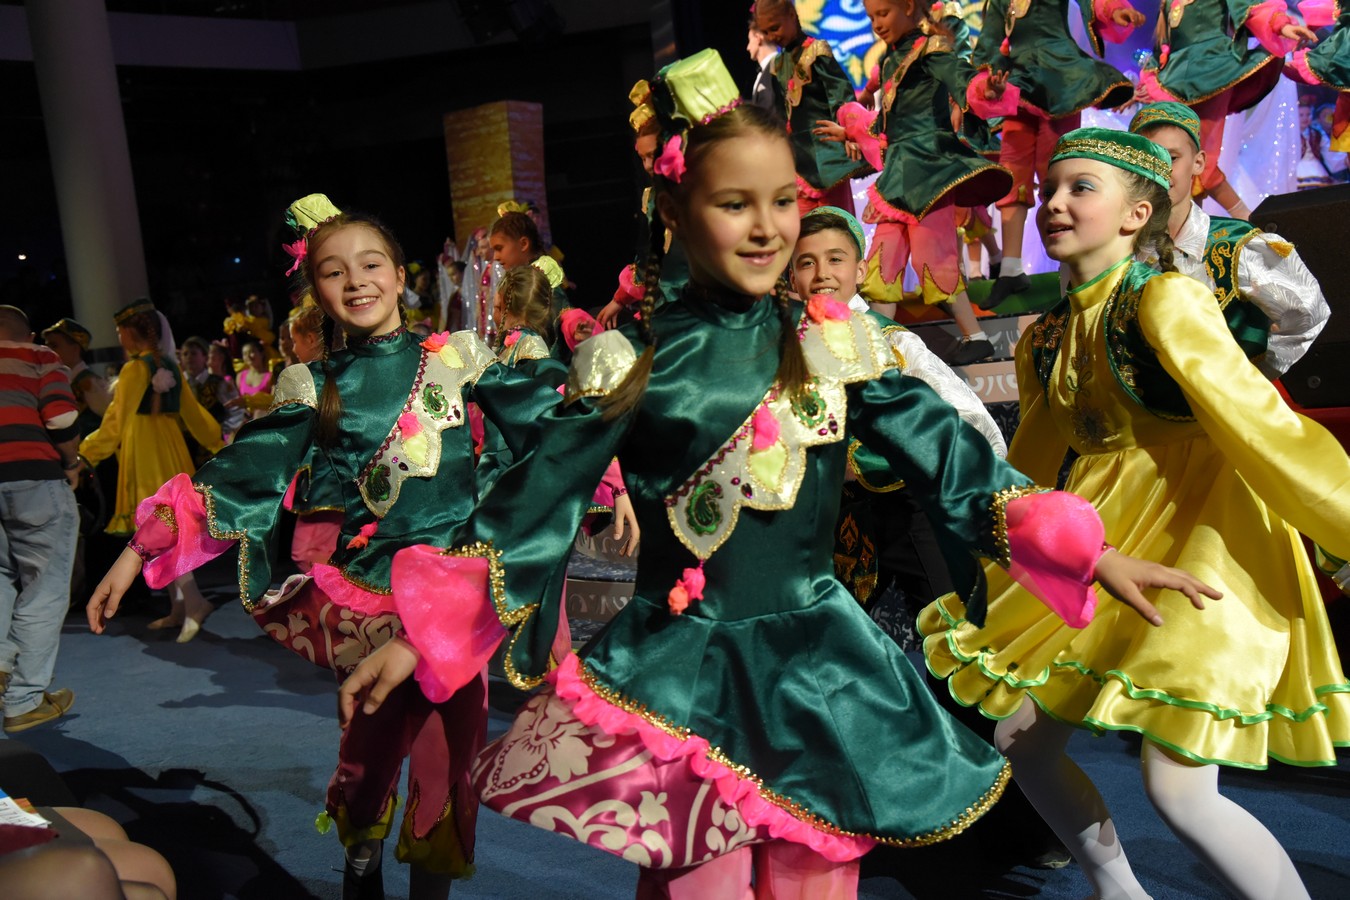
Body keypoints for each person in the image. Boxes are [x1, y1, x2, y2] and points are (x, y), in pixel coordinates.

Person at [337, 51, 1215, 897]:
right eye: (735, 204)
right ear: (676, 210)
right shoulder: (630, 360)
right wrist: (426, 635)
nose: (767, 228)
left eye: (784, 201)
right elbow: (533, 506)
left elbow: (952, 458)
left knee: (814, 877)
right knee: (698, 884)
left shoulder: (833, 343)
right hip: (683, 671)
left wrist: (1087, 551)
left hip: (817, 672)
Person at [86, 194, 563, 900]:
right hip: (371, 604)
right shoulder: (315, 386)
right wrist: (138, 548)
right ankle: (361, 861)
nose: (357, 281)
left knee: (446, 766)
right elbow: (240, 473)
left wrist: (609, 469)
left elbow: (547, 428)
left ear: (399, 274)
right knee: (369, 762)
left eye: (371, 264)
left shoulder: (462, 359)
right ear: (315, 290)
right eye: (334, 272)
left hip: (453, 600)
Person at [920, 127, 1350, 900]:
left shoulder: (1165, 298)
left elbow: (1259, 421)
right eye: (1050, 188)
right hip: (1112, 531)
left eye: (1081, 188)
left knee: (1178, 788)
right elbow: (1033, 463)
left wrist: (1340, 519)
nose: (1054, 203)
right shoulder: (1047, 335)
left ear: (1136, 213)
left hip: (1206, 526)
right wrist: (1016, 552)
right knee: (1022, 737)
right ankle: (1118, 889)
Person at [814, 0, 1018, 365]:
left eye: (883, 14)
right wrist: (848, 131)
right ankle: (879, 347)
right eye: (871, 17)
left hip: (929, 171)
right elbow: (887, 126)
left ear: (909, 7)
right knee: (882, 261)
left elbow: (962, 80)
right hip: (898, 175)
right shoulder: (890, 60)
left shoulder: (931, 49)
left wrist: (987, 90)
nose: (877, 24)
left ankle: (976, 337)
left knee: (934, 258)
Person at [1128, 101, 1330, 378]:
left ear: (1198, 162)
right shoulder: (1119, 247)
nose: (1158, 170)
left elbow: (1308, 313)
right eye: (1145, 160)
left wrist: (1249, 379)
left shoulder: (1238, 244)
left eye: (1171, 158)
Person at [976, 0, 1143, 309]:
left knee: (1059, 174)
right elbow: (989, 42)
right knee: (1012, 173)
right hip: (1018, 84)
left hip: (1060, 80)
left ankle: (1074, 266)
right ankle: (1010, 269)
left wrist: (1112, 10)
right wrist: (987, 81)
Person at [78, 300, 223, 644]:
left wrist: (87, 451)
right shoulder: (168, 363)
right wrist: (217, 441)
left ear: (130, 333)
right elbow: (194, 414)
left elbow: (114, 422)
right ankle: (180, 606)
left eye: (119, 332)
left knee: (161, 528)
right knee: (164, 527)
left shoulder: (134, 370)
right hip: (168, 448)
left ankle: (194, 602)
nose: (119, 337)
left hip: (146, 453)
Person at [1137, 0, 1319, 220]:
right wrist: (1147, 81)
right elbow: (1163, 48)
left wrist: (1281, 25)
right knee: (1179, 158)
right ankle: (1192, 227)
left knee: (1202, 161)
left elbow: (1249, 6)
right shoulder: (1169, 3)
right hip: (1175, 78)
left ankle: (1247, 219)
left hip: (1214, 69)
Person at [0, 305, 79, 733]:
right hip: (34, 478)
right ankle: (23, 700)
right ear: (27, 335)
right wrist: (72, 462)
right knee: (44, 587)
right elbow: (61, 417)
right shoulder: (38, 356)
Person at [755, 0, 870, 213]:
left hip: (828, 155)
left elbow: (839, 96)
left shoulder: (816, 52)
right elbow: (780, 115)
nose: (771, 37)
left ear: (791, 15)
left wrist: (849, 133)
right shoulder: (777, 65)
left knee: (837, 221)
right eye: (766, 32)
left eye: (775, 28)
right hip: (799, 160)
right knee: (804, 227)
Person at [40, 317, 110, 436]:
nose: (48, 351)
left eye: (54, 346)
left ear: (75, 349)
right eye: (47, 346)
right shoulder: (55, 382)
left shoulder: (89, 383)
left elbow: (113, 421)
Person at [179, 336, 244, 457]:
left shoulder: (218, 383)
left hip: (211, 449)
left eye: (194, 353)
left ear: (205, 357)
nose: (189, 358)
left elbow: (236, 411)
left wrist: (222, 432)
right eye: (185, 354)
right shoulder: (178, 385)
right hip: (184, 446)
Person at [746, 18, 779, 118]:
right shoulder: (767, 70)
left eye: (749, 40)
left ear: (758, 38)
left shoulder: (777, 67)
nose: (747, 47)